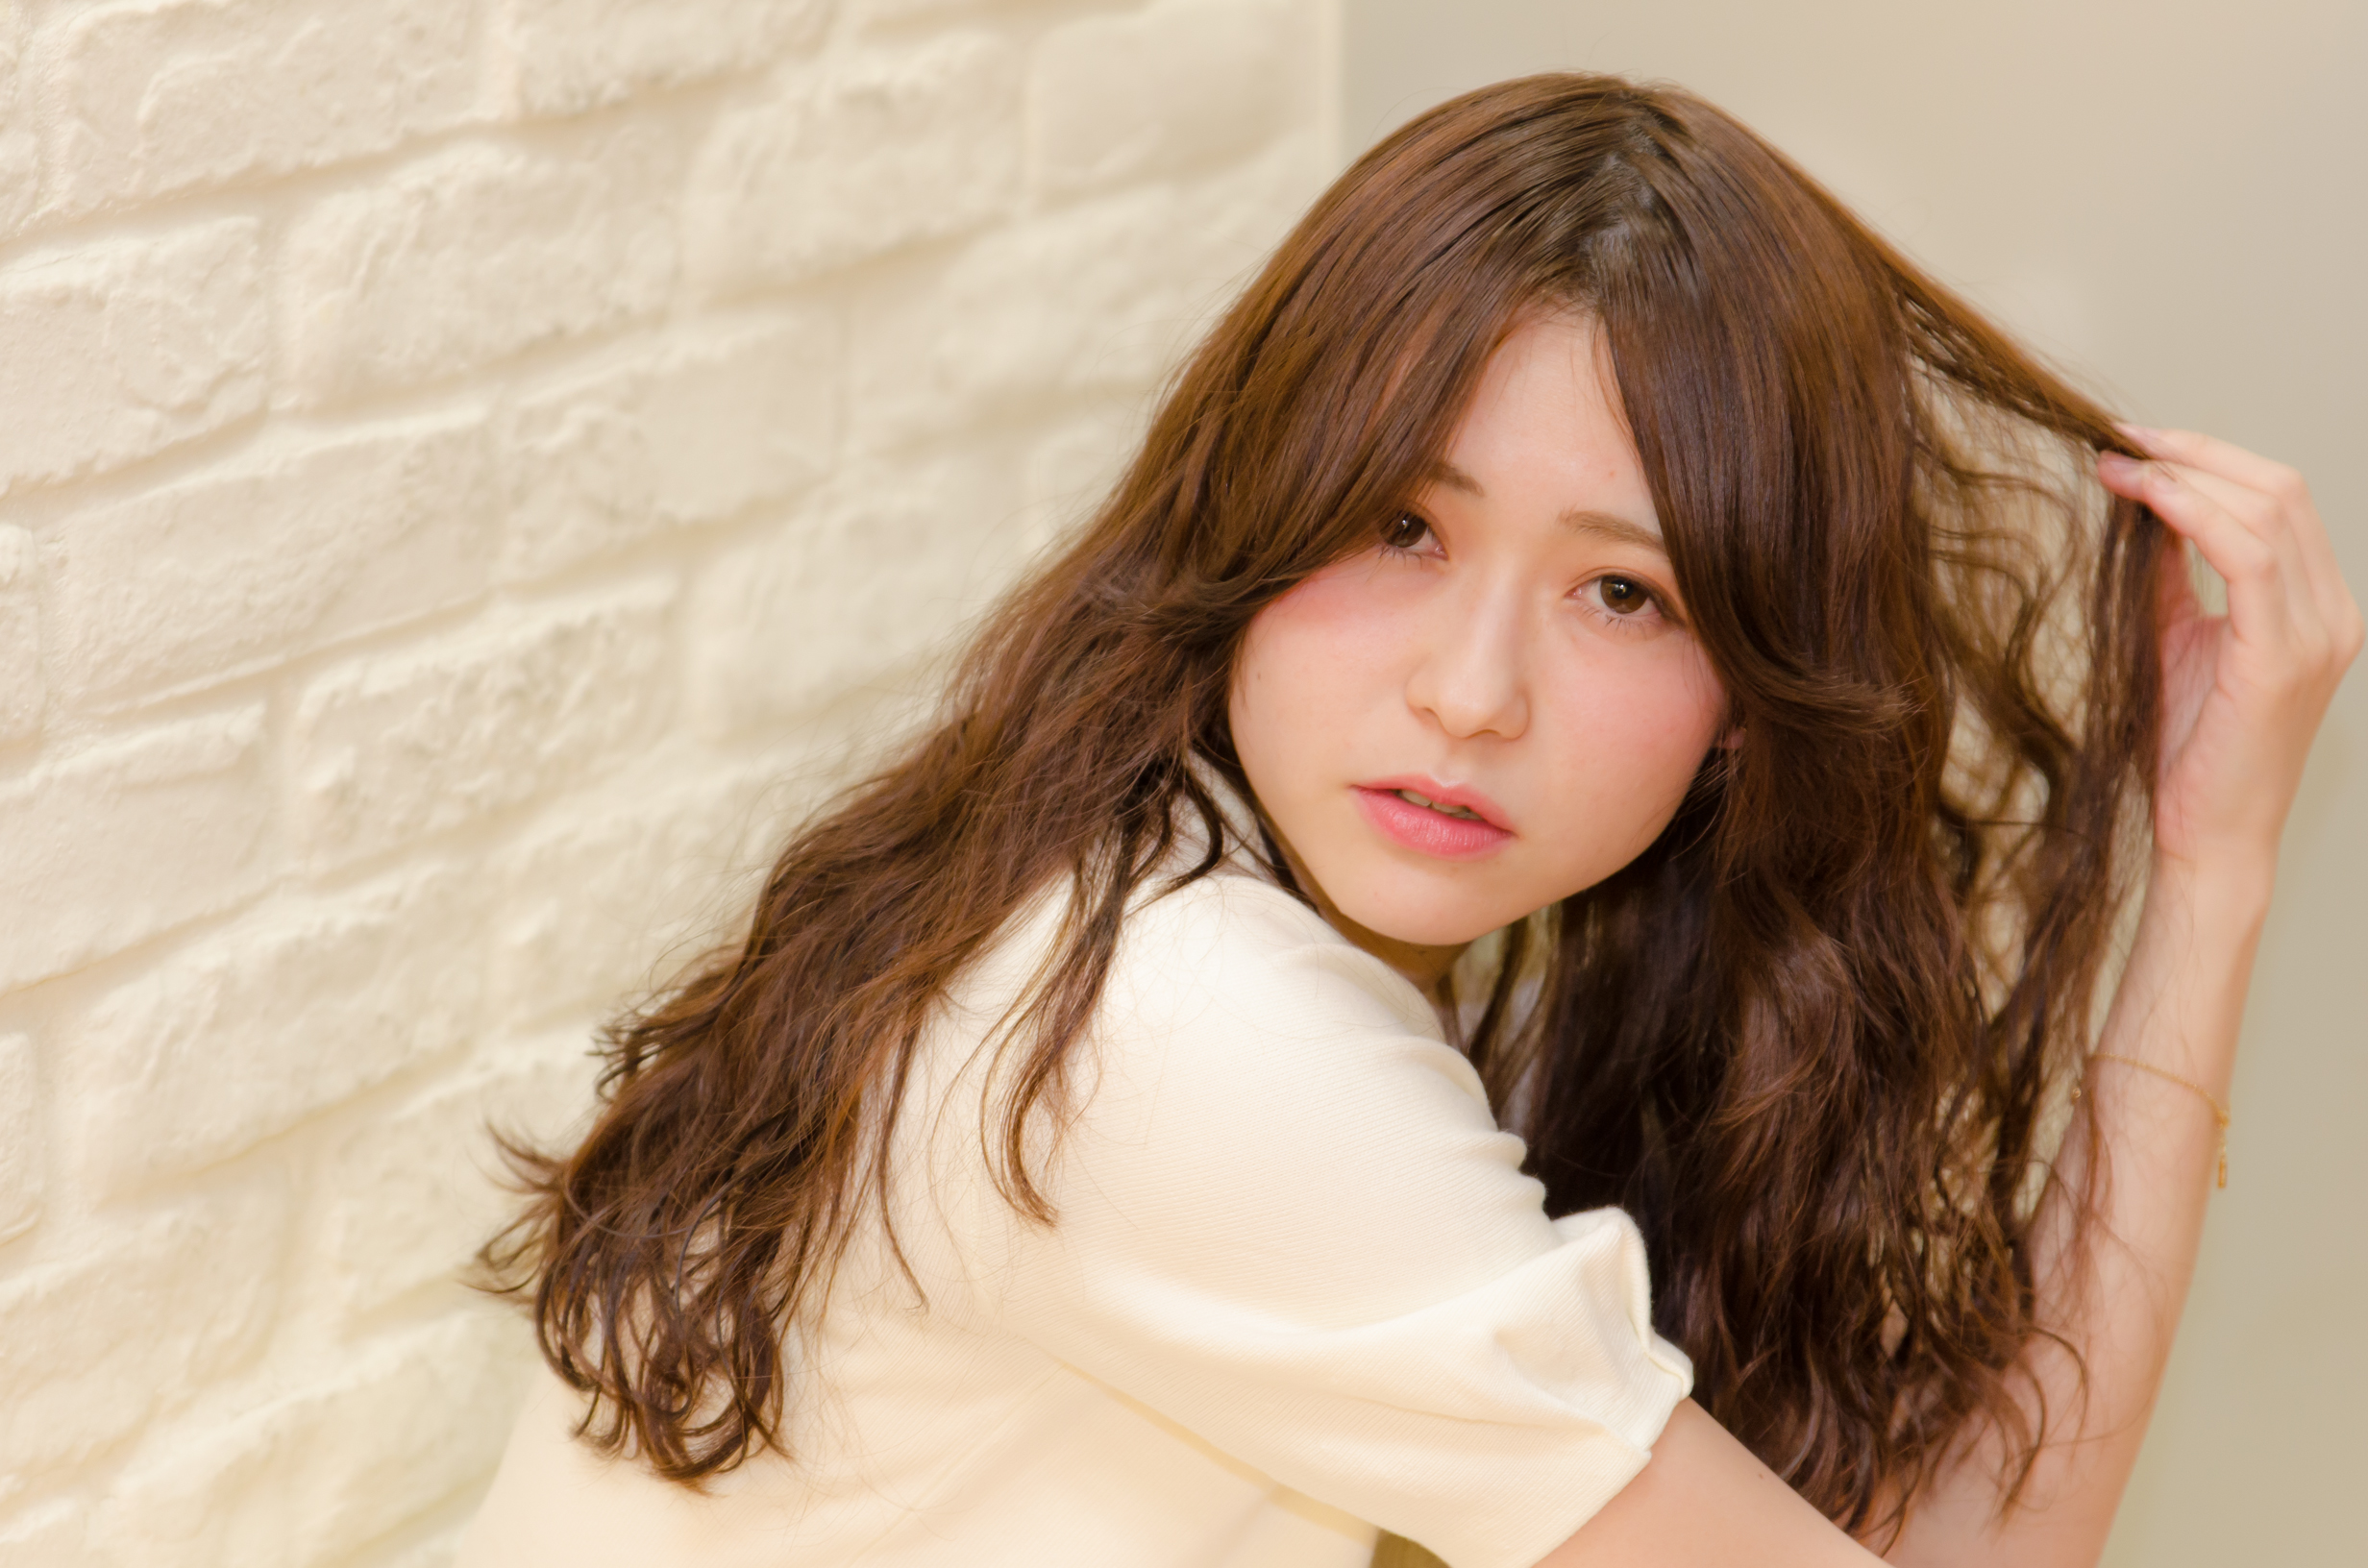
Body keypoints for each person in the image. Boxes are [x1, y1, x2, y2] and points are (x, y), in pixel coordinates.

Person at [458, 75, 2358, 1568]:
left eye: (1621, 593)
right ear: (1252, 505)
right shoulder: (1179, 1038)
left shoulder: (1114, 877)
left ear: (1742, 699)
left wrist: (2207, 859)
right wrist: (2209, 882)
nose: (1470, 692)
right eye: (1400, 526)